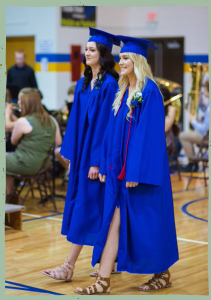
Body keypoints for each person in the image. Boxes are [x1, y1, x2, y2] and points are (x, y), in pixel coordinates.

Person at [75, 36, 179, 295]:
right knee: (113, 221)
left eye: (125, 58)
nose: (120, 62)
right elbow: (111, 132)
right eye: (120, 57)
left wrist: (135, 171)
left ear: (137, 61)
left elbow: (149, 137)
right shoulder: (122, 92)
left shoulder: (150, 91)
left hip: (140, 175)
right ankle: (103, 280)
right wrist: (104, 165)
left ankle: (162, 273)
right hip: (117, 172)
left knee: (148, 224)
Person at [41, 28, 120, 281]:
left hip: (97, 159)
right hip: (82, 156)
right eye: (86, 49)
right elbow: (75, 121)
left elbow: (107, 126)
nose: (86, 53)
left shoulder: (110, 85)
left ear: (103, 54)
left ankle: (69, 265)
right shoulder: (83, 84)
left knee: (89, 209)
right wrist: (72, 154)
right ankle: (111, 261)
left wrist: (97, 161)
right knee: (90, 208)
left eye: (92, 50)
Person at [6, 88, 62, 197]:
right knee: (6, 164)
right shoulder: (51, 119)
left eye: (19, 100)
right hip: (43, 165)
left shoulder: (23, 121)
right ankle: (10, 195)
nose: (18, 103)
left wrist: (8, 114)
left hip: (25, 163)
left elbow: (13, 141)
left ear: (26, 103)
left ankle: (9, 195)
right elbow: (58, 141)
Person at [179, 80, 209, 172]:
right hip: (206, 135)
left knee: (182, 136)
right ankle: (193, 163)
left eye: (205, 90)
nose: (203, 92)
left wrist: (193, 122)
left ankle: (192, 163)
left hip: (206, 137)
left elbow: (203, 129)